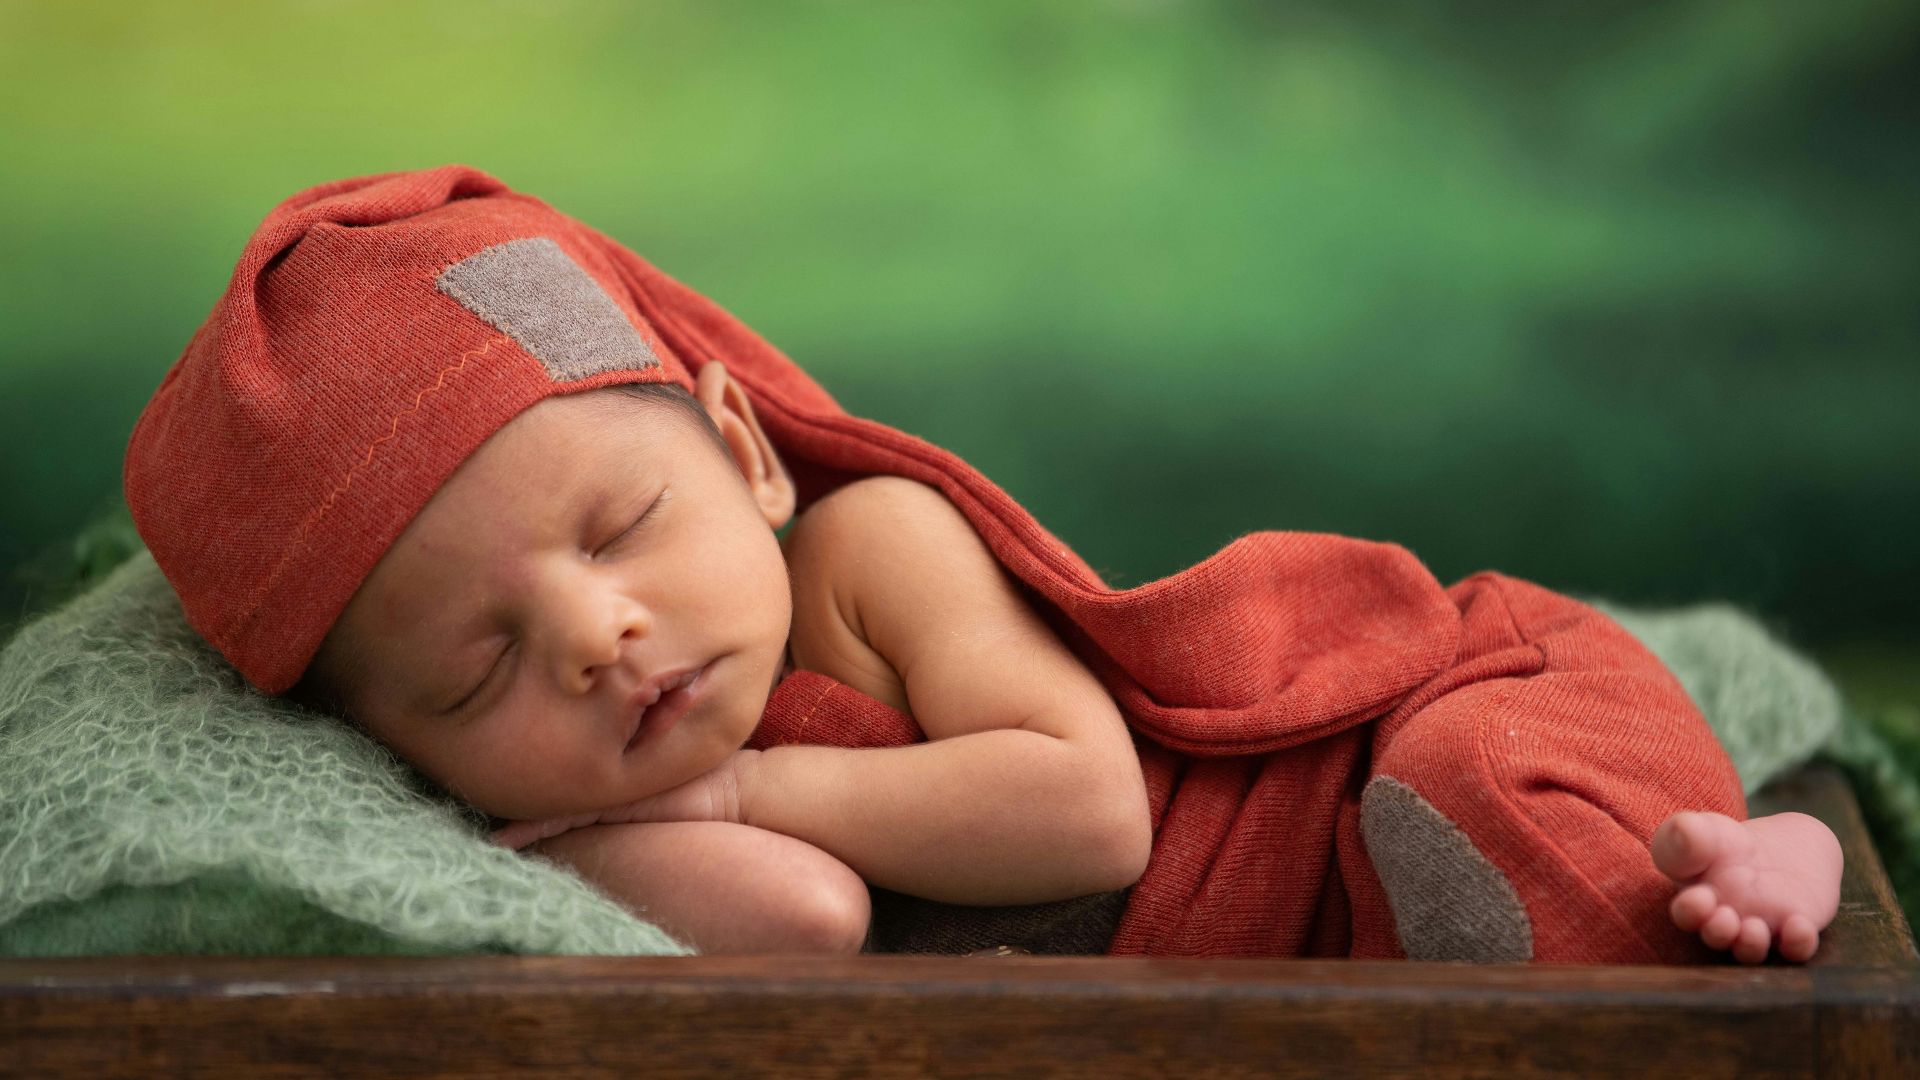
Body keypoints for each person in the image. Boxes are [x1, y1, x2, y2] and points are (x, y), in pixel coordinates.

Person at [124, 165, 1842, 961]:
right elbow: (802, 923)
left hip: (1411, 721)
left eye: (621, 527)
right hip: (1323, 950)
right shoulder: (584, 810)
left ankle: (1743, 855)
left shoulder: (873, 557)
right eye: (472, 672)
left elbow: (1090, 816)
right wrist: (658, 846)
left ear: (738, 451)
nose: (595, 636)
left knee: (1474, 823)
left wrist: (732, 803)